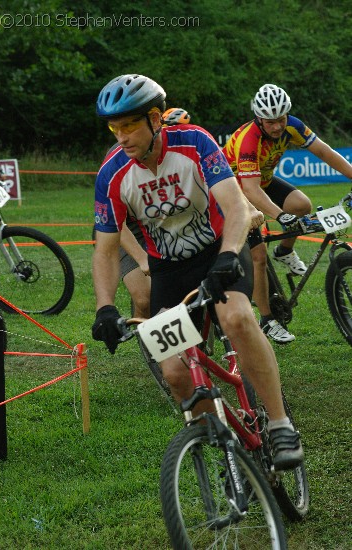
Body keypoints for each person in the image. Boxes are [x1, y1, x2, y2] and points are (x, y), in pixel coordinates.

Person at [92, 74, 304, 470]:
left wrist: (227, 255)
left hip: (219, 249)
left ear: (156, 119)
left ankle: (279, 423)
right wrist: (105, 307)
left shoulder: (194, 142)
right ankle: (226, 447)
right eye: (113, 127)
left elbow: (237, 206)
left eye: (129, 125)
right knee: (173, 371)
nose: (121, 136)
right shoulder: (112, 173)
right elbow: (105, 250)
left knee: (237, 317)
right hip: (169, 271)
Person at [223, 83, 352, 343]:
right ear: (259, 118)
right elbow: (248, 188)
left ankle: (283, 251)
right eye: (271, 122)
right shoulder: (249, 138)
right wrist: (280, 216)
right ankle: (267, 320)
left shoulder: (293, 125)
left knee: (302, 205)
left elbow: (324, 152)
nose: (277, 127)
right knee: (258, 256)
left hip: (264, 181)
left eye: (281, 119)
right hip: (234, 192)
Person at [117, 108, 192, 318]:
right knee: (146, 297)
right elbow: (115, 225)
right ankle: (151, 348)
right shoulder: (119, 162)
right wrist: (142, 259)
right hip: (125, 229)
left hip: (159, 225)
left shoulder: (186, 155)